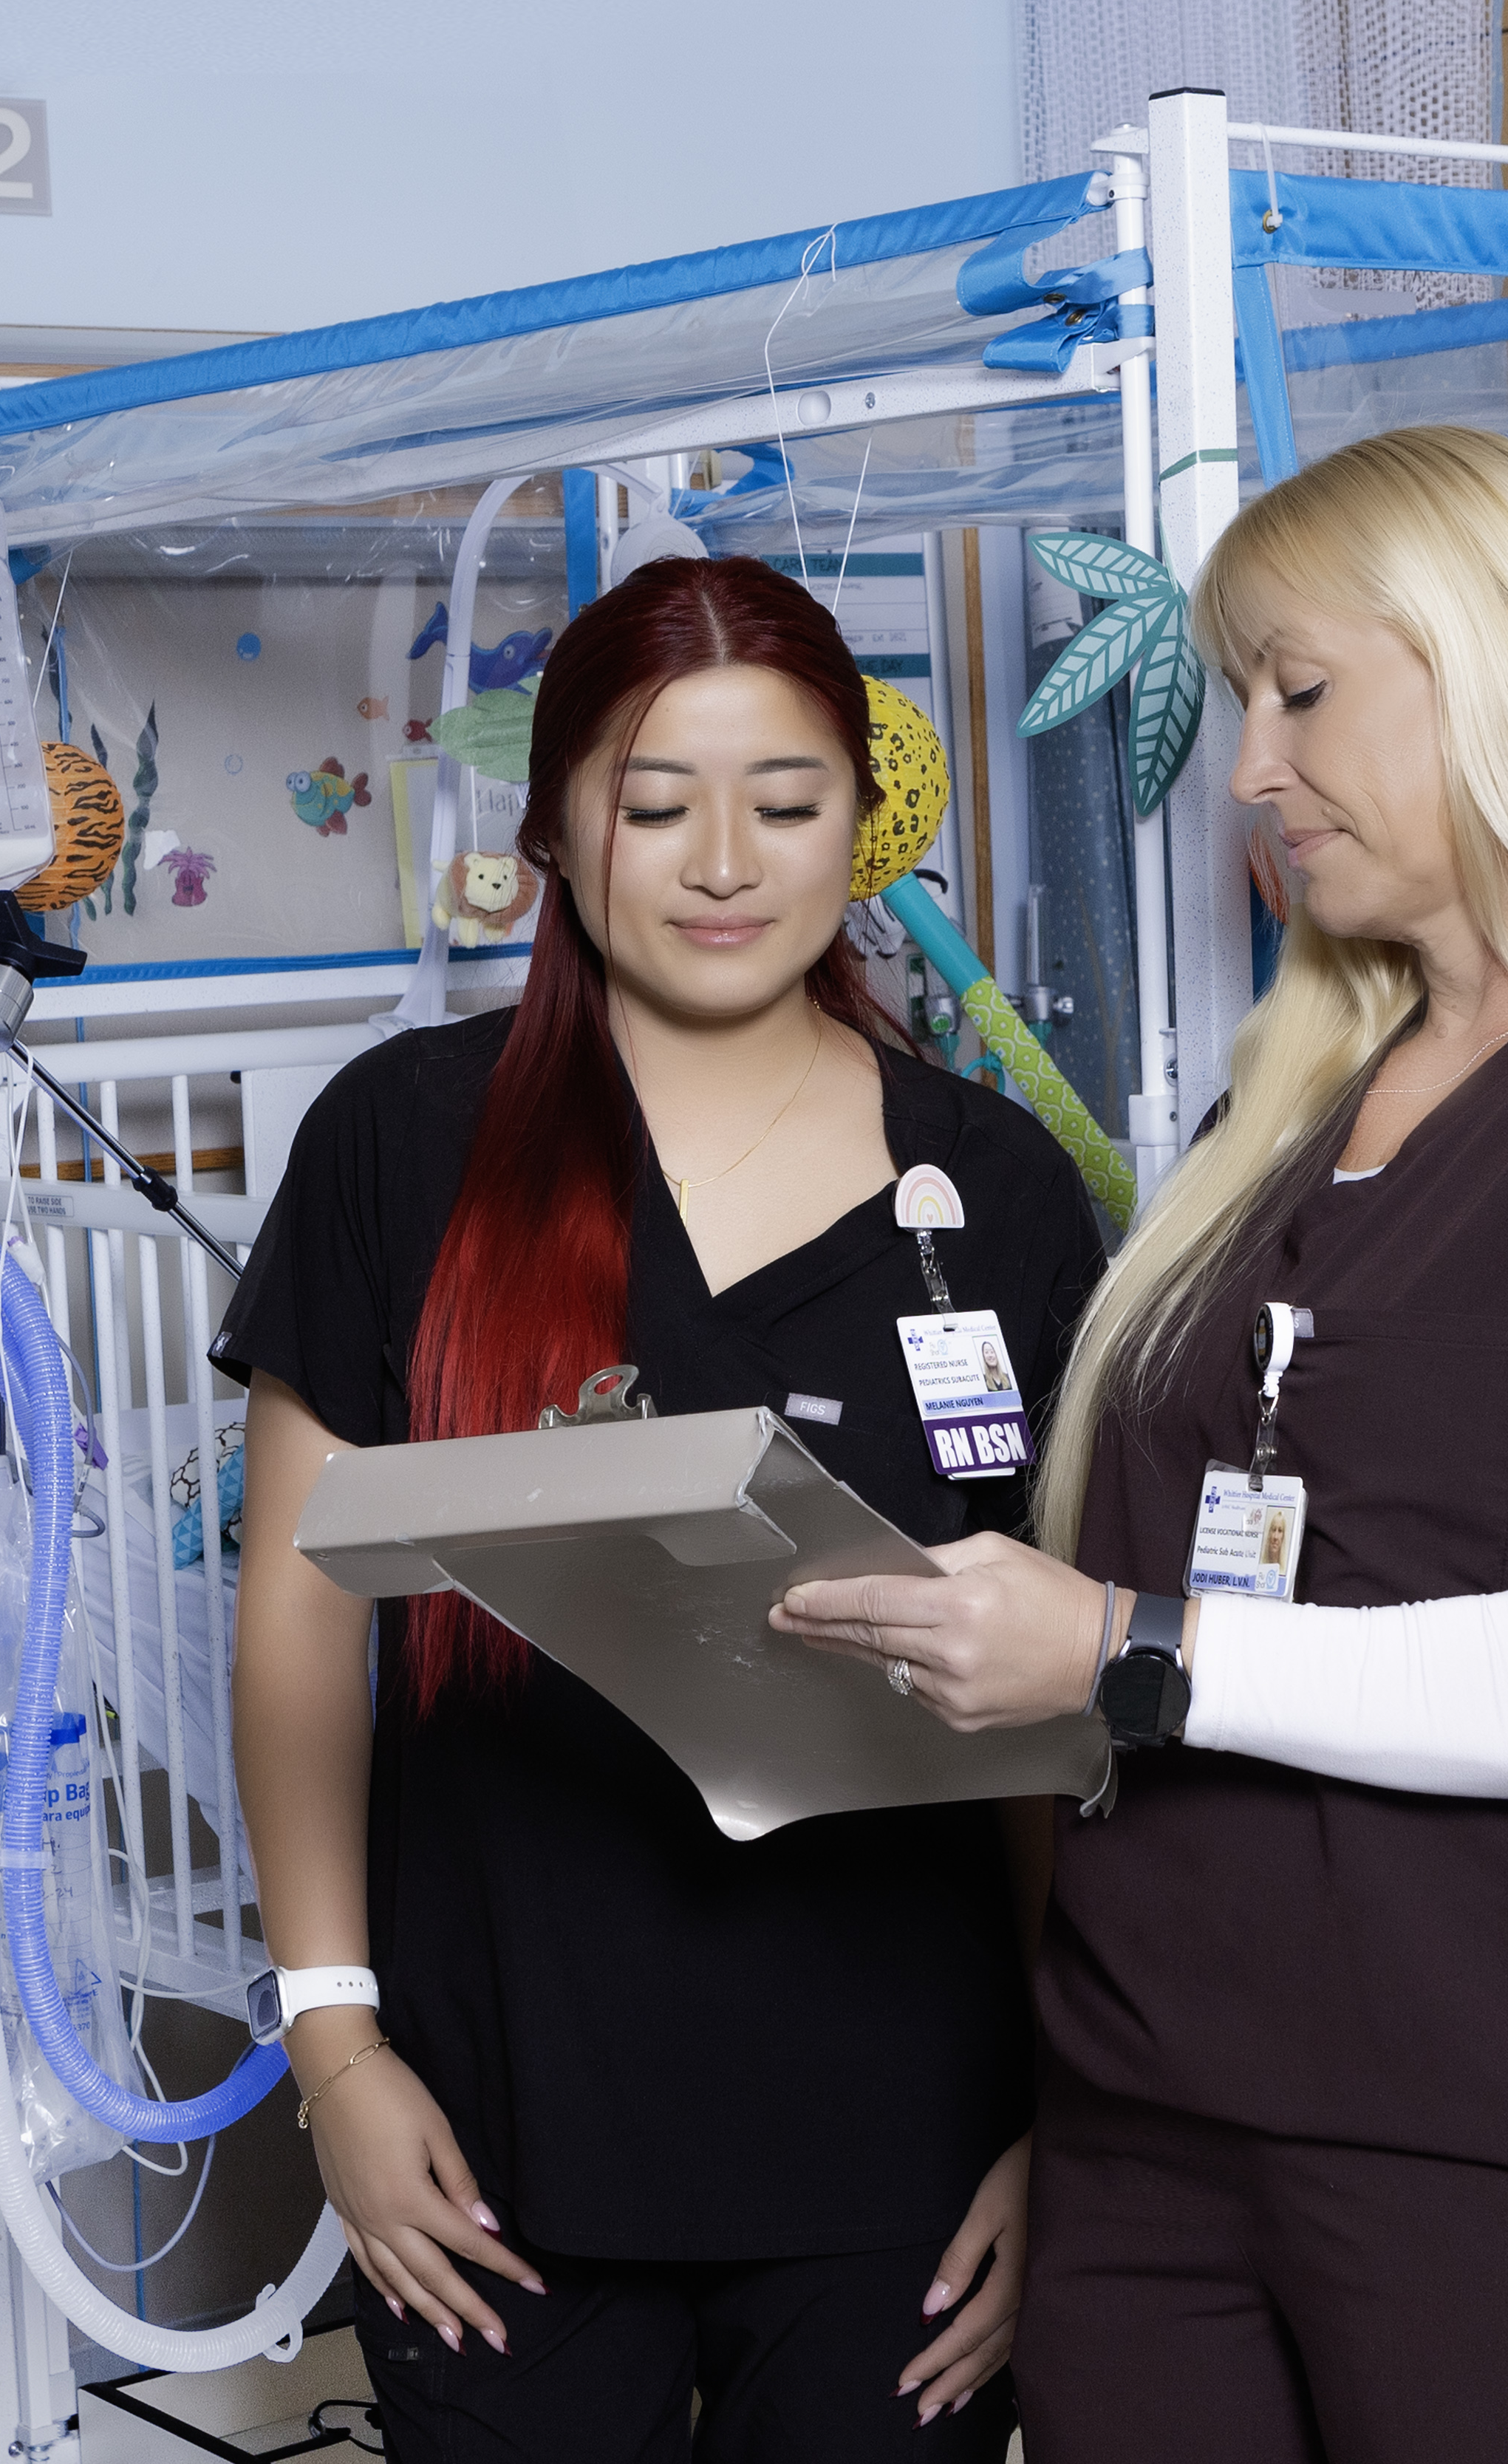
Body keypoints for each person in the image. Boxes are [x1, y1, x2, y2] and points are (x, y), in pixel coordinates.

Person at [771, 427, 1508, 2461]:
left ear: (1504, 671)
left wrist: (1130, 1644)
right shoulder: (1289, 1112)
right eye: (1244, 703)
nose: (1247, 768)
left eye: (1302, 693)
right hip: (1155, 2141)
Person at [220, 553, 1110, 2462]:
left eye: (787, 806)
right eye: (655, 803)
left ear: (856, 832)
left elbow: (1045, 1703)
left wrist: (1065, 2116)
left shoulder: (996, 1189)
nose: (726, 862)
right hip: (495, 2124)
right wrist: (334, 2044)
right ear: (554, 826)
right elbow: (299, 1613)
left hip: (907, 2143)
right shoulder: (404, 1145)